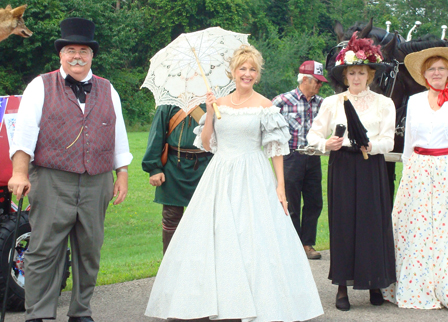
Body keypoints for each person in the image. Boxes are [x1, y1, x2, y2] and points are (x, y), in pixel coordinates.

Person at [145, 45, 323, 322]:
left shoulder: (266, 106)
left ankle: (256, 300)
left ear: (257, 74)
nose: (247, 73)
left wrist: (281, 187)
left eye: (252, 69)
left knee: (252, 235)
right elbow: (207, 144)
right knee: (216, 235)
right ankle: (214, 297)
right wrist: (210, 114)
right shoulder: (219, 104)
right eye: (242, 68)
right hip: (220, 174)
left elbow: (276, 148)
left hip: (253, 174)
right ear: (232, 72)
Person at [8, 17, 132, 322]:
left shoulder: (108, 89)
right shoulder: (40, 85)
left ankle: (81, 313)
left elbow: (119, 136)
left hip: (97, 181)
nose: (77, 56)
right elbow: (24, 135)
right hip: (52, 179)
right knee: (43, 250)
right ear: (61, 54)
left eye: (84, 50)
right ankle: (39, 314)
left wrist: (123, 174)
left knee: (89, 252)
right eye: (71, 50)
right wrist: (20, 173)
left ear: (92, 55)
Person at [382, 47, 448, 310]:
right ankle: (417, 288)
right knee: (417, 232)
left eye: (441, 68)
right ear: (424, 74)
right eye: (431, 69)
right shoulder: (414, 101)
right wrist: (408, 173)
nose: (436, 73)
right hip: (419, 170)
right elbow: (408, 142)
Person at [307, 35, 396, 311]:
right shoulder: (331, 103)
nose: (356, 77)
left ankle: (374, 283)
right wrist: (327, 143)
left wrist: (373, 144)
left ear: (370, 74)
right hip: (343, 165)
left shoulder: (385, 103)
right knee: (344, 224)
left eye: (361, 72)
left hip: (372, 166)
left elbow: (390, 141)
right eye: (351, 73)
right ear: (345, 76)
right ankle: (342, 287)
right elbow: (312, 136)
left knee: (372, 223)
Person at [272, 60, 327, 259]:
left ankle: (307, 244)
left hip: (312, 156)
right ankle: (293, 244)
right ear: (305, 79)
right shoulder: (282, 101)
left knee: (314, 201)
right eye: (317, 82)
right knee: (291, 202)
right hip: (291, 156)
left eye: (321, 83)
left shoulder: (322, 103)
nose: (320, 86)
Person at [142, 104, 213, 253]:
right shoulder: (169, 102)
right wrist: (154, 168)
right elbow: (157, 133)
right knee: (171, 217)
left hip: (207, 166)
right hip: (174, 166)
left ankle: (202, 267)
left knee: (206, 218)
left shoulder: (214, 101)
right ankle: (170, 270)